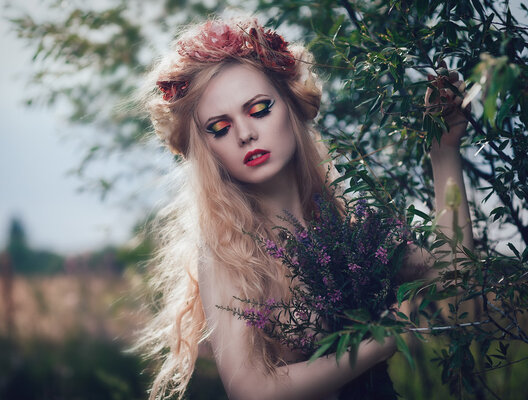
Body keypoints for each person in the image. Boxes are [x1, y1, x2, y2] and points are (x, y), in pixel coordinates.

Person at [136, 16, 473, 400]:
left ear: (292, 106)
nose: (246, 133)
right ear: (205, 147)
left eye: (259, 108)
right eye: (220, 127)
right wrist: (384, 340)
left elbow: (457, 280)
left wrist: (444, 152)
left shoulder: (348, 214)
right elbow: (251, 390)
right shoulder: (229, 249)